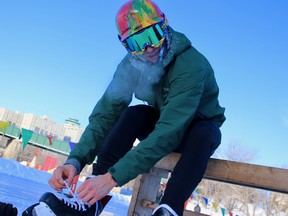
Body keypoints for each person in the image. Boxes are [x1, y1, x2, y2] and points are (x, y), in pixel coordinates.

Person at [23, 0, 225, 215]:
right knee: (134, 114)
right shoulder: (131, 65)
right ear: (125, 45)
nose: (147, 48)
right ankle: (91, 202)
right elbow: (105, 115)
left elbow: (170, 130)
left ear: (164, 25)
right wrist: (75, 160)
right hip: (163, 125)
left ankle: (168, 210)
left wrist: (113, 178)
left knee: (204, 132)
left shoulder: (191, 65)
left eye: (151, 36)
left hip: (194, 134)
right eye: (136, 43)